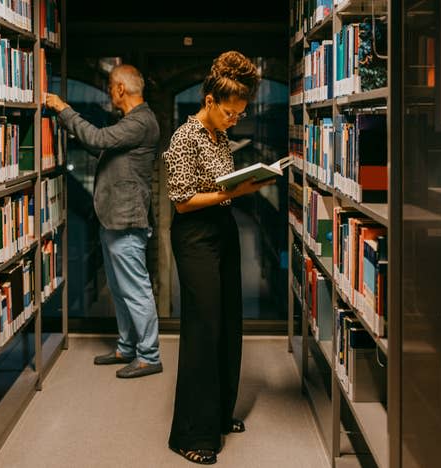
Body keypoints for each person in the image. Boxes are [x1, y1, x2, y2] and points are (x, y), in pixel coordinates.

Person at [162, 51, 273, 464]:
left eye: (239, 115)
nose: (233, 120)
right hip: (195, 236)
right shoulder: (184, 137)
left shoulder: (219, 136)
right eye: (229, 112)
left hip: (223, 230)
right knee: (203, 329)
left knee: (228, 322)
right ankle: (192, 434)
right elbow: (183, 200)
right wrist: (234, 192)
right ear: (209, 101)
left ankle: (220, 415)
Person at [45, 64, 162, 379]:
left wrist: (65, 110)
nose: (110, 94)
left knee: (135, 289)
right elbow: (101, 147)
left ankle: (149, 355)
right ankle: (127, 346)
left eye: (111, 87)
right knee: (120, 288)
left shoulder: (140, 122)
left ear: (121, 88)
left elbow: (97, 139)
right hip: (114, 218)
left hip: (126, 220)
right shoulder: (130, 123)